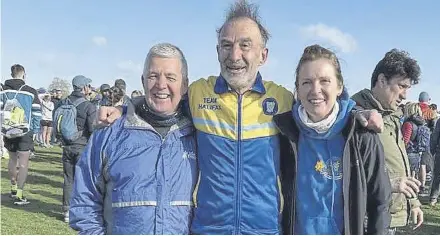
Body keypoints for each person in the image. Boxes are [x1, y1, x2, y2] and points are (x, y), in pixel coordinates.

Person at [94, 1, 383, 234]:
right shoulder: (197, 94)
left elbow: (321, 109)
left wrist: (357, 112)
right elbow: (161, 100)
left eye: (245, 45)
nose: (235, 55)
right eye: (226, 45)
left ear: (263, 55)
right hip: (208, 230)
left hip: (264, 230)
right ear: (217, 50)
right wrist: (124, 108)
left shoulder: (281, 100)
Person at [69, 43, 197, 234]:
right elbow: (84, 201)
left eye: (171, 77)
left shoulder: (198, 133)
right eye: (153, 76)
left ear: (185, 84)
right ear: (143, 80)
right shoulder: (109, 131)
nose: (161, 85)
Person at [273, 45, 391, 234]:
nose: (315, 90)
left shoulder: (361, 134)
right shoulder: (284, 132)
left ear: (339, 87)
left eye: (325, 81)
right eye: (306, 82)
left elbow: (380, 202)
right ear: (297, 89)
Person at [351, 49, 424, 234]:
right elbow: (348, 172)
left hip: (390, 213)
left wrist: (413, 202)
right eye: (401, 86)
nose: (404, 95)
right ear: (382, 80)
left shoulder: (391, 117)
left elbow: (398, 163)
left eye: (407, 88)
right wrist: (389, 183)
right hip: (367, 216)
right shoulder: (357, 117)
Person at [1, 64, 42, 205]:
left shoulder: (3, 91)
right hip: (25, 130)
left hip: (8, 129)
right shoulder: (30, 91)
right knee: (23, 163)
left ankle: (13, 188)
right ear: (23, 74)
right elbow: (37, 112)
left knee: (12, 160)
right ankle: (19, 193)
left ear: (11, 74)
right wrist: (35, 130)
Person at [58, 75, 97, 222]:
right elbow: (93, 128)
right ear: (84, 87)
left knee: (68, 178)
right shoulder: (88, 106)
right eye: (89, 85)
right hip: (82, 146)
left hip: (66, 146)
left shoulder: (63, 102)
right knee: (83, 180)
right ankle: (80, 210)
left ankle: (67, 211)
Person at [401, 102, 431, 196]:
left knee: (408, 173)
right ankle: (417, 189)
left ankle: (409, 193)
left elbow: (406, 139)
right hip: (419, 151)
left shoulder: (408, 124)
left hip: (409, 151)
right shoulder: (422, 123)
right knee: (416, 171)